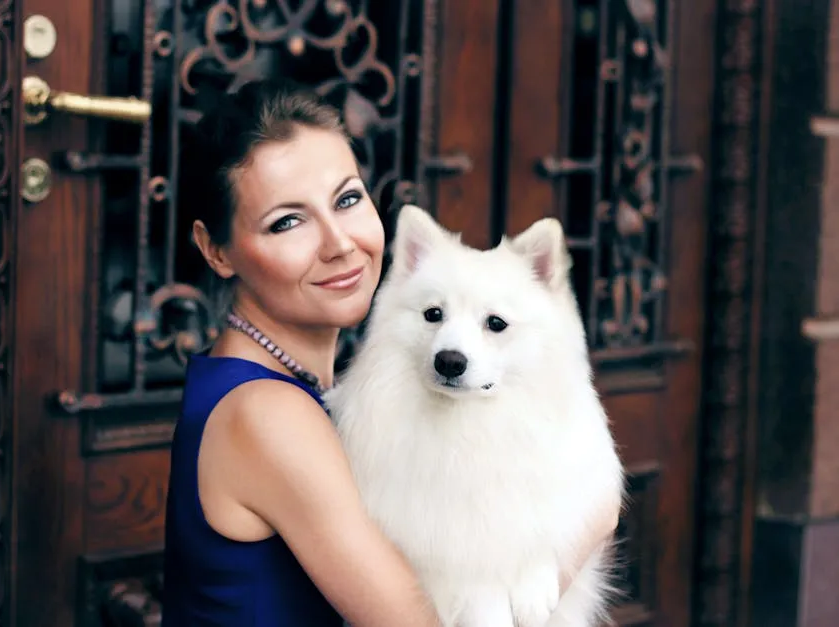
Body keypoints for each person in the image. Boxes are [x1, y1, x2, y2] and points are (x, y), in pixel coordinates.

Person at [161, 78, 617, 626]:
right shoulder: (267, 414)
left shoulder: (280, 380)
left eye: (348, 199)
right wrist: (593, 519)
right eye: (288, 221)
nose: (339, 243)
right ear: (216, 251)